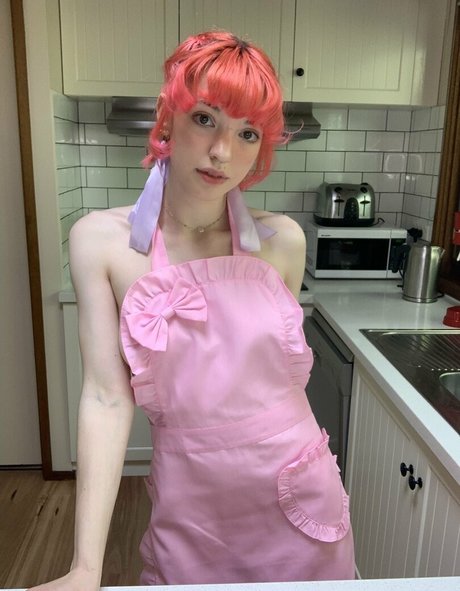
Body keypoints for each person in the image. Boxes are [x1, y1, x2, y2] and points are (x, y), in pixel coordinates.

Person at [32, 30, 354, 590]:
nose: (223, 152)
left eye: (247, 133)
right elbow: (106, 397)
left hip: (296, 497)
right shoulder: (101, 243)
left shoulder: (283, 242)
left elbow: (276, 381)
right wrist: (85, 568)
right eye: (206, 119)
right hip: (191, 507)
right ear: (168, 120)